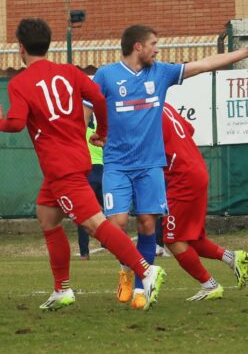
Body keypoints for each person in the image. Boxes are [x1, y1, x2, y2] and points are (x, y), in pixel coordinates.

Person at [0, 18, 166, 311]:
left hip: (61, 168)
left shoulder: (19, 82)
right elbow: (97, 98)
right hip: (74, 160)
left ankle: (145, 270)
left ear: (20, 48)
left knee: (96, 224)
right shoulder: (69, 71)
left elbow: (16, 123)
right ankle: (62, 290)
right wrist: (103, 131)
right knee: (47, 217)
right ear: (48, 44)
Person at [92, 24, 248, 309]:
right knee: (116, 225)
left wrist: (244, 51)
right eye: (153, 43)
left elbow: (203, 65)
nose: (157, 49)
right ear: (138, 46)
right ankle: (126, 271)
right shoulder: (106, 75)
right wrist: (93, 131)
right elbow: (86, 106)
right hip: (116, 164)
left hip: (150, 166)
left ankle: (142, 289)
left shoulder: (160, 72)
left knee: (148, 223)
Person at [161, 102, 248, 300]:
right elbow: (189, 130)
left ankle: (209, 285)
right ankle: (233, 258)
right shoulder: (164, 106)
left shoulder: (145, 112)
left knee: (173, 239)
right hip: (195, 170)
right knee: (192, 238)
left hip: (182, 178)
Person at [76, 103, 104, 261]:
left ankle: (84, 253)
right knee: (112, 212)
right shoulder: (98, 131)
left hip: (87, 172)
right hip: (101, 172)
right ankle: (110, 241)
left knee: (83, 214)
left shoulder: (80, 130)